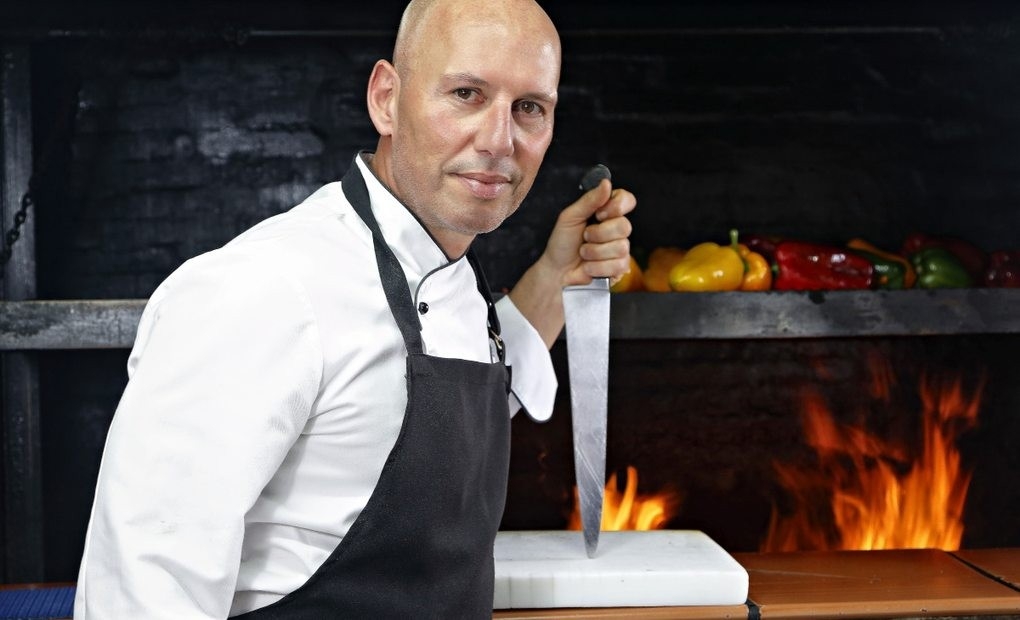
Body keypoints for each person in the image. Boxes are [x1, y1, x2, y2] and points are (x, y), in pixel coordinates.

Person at [73, 0, 636, 617]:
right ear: (386, 100)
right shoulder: (262, 290)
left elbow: (411, 404)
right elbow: (142, 590)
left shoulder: (449, 277)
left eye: (529, 108)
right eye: (467, 94)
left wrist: (558, 275)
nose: (500, 141)